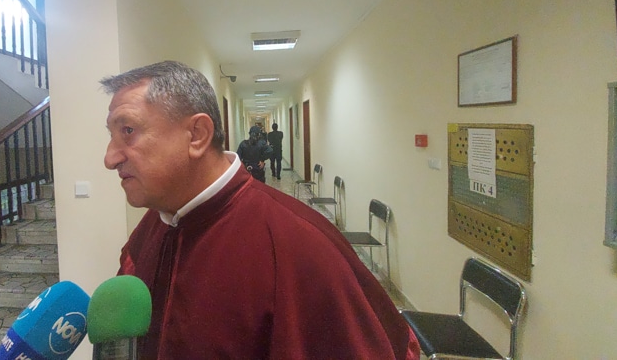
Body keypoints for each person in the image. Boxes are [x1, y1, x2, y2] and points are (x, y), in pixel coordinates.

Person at [101, 61, 419, 359]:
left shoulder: (299, 244)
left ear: (197, 135)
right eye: (111, 135)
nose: (110, 158)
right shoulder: (153, 225)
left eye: (128, 131)